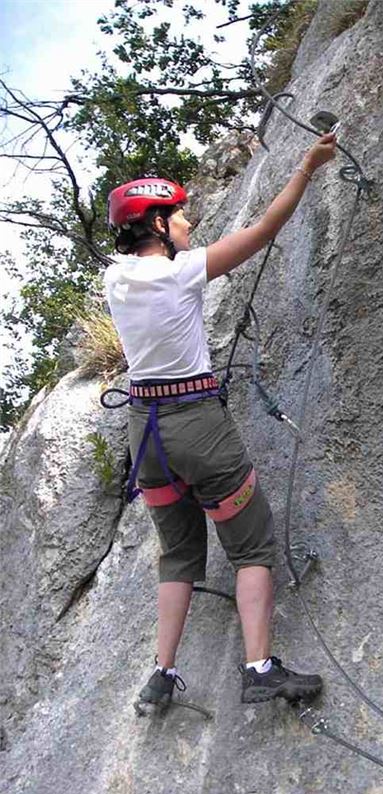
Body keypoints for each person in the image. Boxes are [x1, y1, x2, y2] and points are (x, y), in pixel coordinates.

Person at [104, 132, 337, 709]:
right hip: (197, 426)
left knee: (179, 554)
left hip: (146, 434)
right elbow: (262, 233)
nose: (187, 222)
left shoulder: (115, 278)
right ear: (157, 225)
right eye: (177, 214)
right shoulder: (178, 273)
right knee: (251, 544)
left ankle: (161, 675)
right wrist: (306, 167)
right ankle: (259, 667)